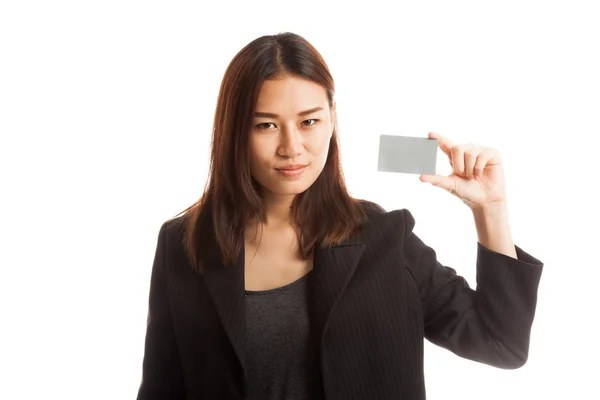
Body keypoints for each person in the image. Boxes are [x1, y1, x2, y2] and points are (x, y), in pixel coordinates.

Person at [136, 32, 544, 400]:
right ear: (234, 133)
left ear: (332, 121)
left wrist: (490, 210)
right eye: (265, 126)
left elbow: (501, 344)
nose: (291, 147)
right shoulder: (183, 244)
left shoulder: (385, 237)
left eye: (309, 121)